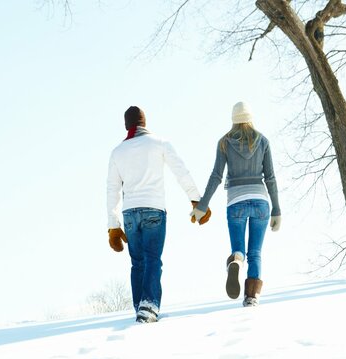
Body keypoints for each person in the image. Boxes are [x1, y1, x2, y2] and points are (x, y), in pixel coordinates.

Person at [107, 106, 211, 323]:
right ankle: (149, 306)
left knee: (137, 262)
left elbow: (112, 190)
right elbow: (181, 171)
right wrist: (196, 200)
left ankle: (140, 307)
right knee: (153, 259)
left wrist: (113, 225)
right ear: (144, 122)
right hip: (154, 209)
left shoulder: (117, 152)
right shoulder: (160, 143)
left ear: (127, 125)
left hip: (129, 213)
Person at [191, 101, 281, 307]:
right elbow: (271, 177)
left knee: (239, 250)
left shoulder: (224, 142)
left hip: (236, 202)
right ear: (250, 119)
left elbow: (216, 176)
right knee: (255, 252)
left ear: (233, 120)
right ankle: (251, 297)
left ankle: (236, 261)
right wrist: (277, 209)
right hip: (261, 201)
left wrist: (202, 205)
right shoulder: (263, 141)